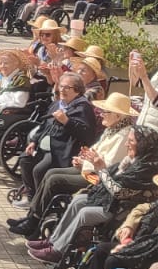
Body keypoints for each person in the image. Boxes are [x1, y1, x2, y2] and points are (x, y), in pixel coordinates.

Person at [26, 122, 158, 264]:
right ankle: (53, 242)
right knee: (78, 200)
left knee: (85, 213)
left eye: (131, 141)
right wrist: (95, 164)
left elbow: (119, 192)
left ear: (143, 145)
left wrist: (101, 168)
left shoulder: (147, 167)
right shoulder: (132, 160)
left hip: (122, 209)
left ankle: (58, 252)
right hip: (111, 201)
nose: (126, 144)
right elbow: (110, 177)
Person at [7, 90, 135, 237]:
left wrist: (87, 160)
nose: (101, 114)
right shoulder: (112, 129)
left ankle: (34, 221)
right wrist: (82, 160)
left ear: (117, 116)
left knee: (55, 180)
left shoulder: (122, 136)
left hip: (98, 179)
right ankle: (32, 217)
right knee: (50, 173)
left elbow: (109, 166)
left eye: (105, 111)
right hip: (89, 170)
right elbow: (95, 152)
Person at [15, 72, 100, 202]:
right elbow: (44, 125)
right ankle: (32, 198)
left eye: (67, 88)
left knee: (39, 170)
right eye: (61, 86)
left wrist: (67, 121)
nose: (62, 90)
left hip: (62, 149)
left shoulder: (83, 107)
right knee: (25, 159)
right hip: (45, 145)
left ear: (77, 90)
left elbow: (87, 135)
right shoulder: (58, 104)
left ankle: (41, 203)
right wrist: (33, 141)